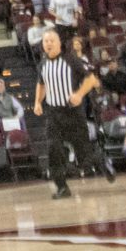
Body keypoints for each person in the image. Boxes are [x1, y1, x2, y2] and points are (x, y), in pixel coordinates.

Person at [34, 29, 103, 197]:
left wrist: (79, 95)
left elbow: (92, 80)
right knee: (53, 149)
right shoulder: (42, 63)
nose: (48, 43)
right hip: (54, 114)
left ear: (59, 43)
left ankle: (101, 161)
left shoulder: (71, 60)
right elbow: (41, 84)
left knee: (83, 152)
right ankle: (62, 187)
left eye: (51, 40)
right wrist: (37, 102)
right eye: (45, 41)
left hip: (73, 112)